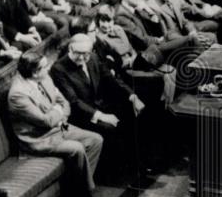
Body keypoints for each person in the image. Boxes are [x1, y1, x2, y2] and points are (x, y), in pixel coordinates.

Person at [6, 51, 104, 197]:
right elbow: (45, 121)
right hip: (39, 138)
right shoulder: (18, 94)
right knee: (76, 148)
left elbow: (63, 102)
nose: (48, 68)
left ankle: (77, 189)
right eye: (44, 67)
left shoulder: (44, 78)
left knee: (95, 139)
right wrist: (58, 112)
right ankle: (84, 193)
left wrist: (59, 113)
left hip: (59, 125)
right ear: (34, 72)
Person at [49, 34, 150, 184]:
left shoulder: (94, 58)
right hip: (81, 115)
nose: (83, 58)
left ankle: (135, 165)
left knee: (133, 113)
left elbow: (112, 80)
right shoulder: (59, 69)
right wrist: (101, 115)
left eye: (86, 53)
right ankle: (116, 174)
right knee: (109, 127)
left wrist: (132, 97)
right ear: (70, 48)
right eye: (78, 53)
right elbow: (74, 102)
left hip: (100, 105)